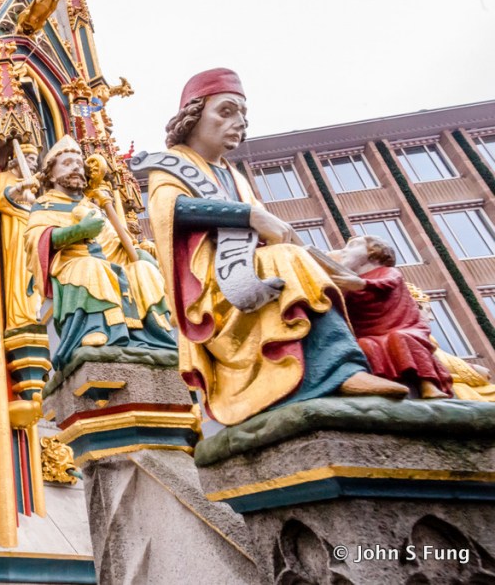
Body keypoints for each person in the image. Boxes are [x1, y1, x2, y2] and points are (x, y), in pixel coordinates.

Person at [140, 68, 407, 425]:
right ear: (193, 117)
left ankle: (337, 369)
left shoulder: (234, 175)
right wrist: (249, 215)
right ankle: (337, 371)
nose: (238, 123)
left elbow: (263, 231)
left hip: (250, 268)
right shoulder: (173, 166)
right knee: (286, 260)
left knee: (297, 262)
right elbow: (169, 210)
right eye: (225, 111)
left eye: (242, 114)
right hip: (210, 282)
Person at [24, 135, 175, 370]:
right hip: (72, 264)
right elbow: (36, 240)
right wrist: (77, 231)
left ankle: (156, 333)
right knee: (91, 267)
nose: (76, 167)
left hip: (110, 263)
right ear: (51, 175)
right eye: (67, 164)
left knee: (143, 268)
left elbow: (114, 243)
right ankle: (95, 327)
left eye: (78, 163)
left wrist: (137, 252)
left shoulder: (93, 206)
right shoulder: (45, 205)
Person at [329, 235, 452, 398]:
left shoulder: (388, 272)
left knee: (400, 339)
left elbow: (388, 282)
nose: (344, 251)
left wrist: (362, 284)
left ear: (373, 252)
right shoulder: (348, 283)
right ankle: (383, 383)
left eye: (353, 246)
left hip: (401, 327)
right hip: (370, 333)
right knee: (364, 345)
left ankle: (428, 385)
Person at [0, 144, 43, 331]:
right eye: (30, 159)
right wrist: (21, 187)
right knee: (21, 269)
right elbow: (0, 201)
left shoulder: (32, 183)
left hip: (33, 227)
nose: (34, 164)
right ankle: (21, 315)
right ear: (17, 160)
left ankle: (37, 310)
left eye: (35, 160)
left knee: (37, 271)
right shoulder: (4, 178)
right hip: (16, 229)